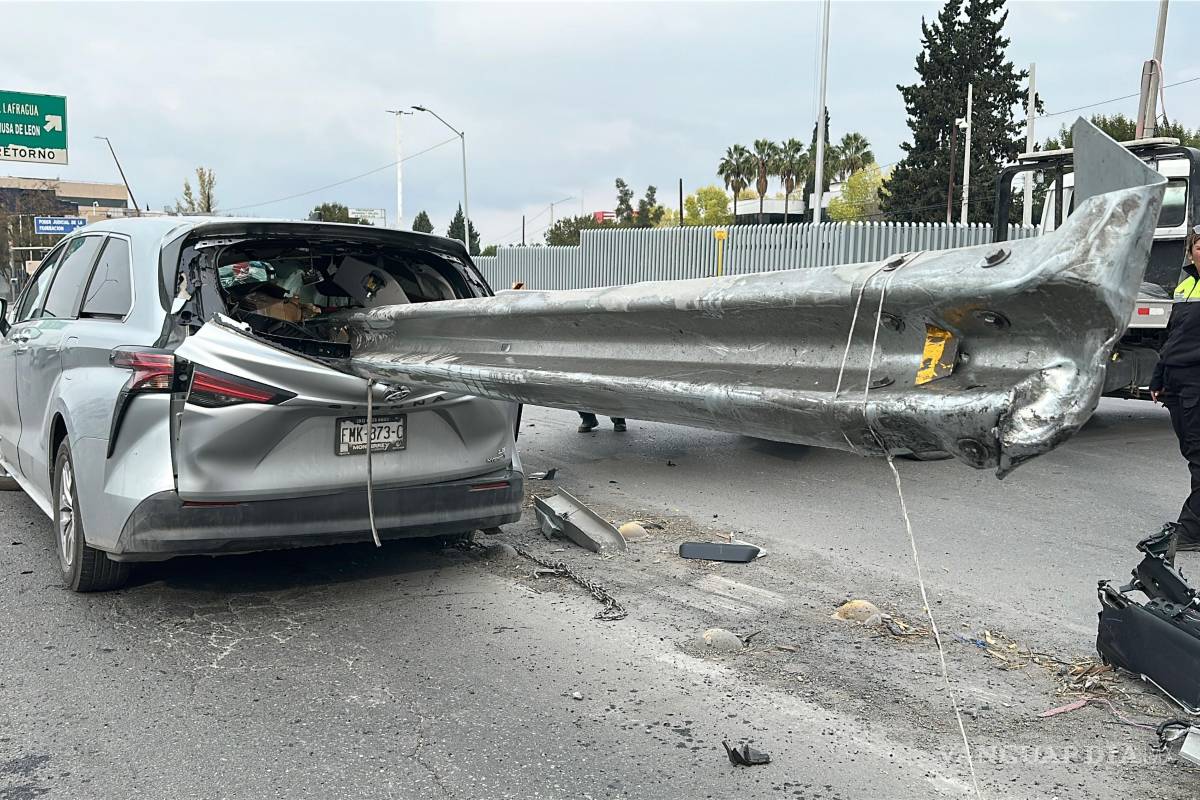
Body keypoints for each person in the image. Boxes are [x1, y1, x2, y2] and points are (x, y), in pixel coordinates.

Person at [1151, 226, 1200, 551]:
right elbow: (1173, 337)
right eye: (1199, 246)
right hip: (1176, 382)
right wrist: (1158, 377)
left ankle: (1191, 531)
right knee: (1191, 454)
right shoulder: (1186, 284)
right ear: (1191, 250)